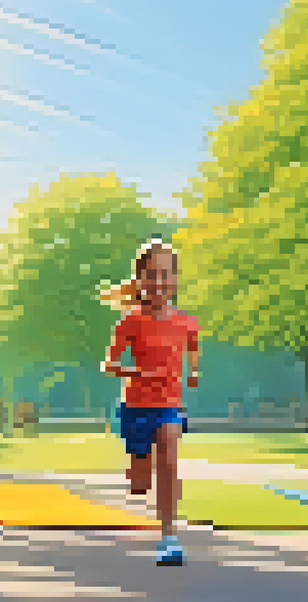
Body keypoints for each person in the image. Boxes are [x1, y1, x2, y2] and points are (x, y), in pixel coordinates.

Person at [100, 236, 200, 566]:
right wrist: (138, 371)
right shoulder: (130, 321)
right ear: (140, 279)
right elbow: (109, 365)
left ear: (175, 279)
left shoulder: (185, 320)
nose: (159, 282)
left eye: (165, 274)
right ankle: (137, 464)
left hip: (169, 405)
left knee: (169, 457)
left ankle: (169, 537)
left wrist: (194, 371)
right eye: (152, 274)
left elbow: (192, 345)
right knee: (140, 484)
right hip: (136, 407)